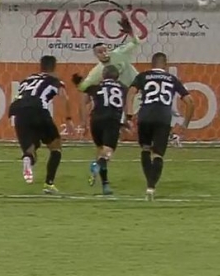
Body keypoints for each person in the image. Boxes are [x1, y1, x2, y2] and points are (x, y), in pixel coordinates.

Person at [126, 52, 194, 201]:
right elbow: (190, 101)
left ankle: (149, 183)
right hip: (163, 118)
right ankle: (151, 188)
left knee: (145, 149)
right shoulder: (172, 79)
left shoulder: (143, 76)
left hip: (145, 116)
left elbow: (130, 93)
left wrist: (129, 114)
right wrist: (185, 124)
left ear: (152, 64)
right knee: (158, 154)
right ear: (165, 64)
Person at [9, 55, 73, 194]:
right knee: (56, 147)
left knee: (30, 149)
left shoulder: (28, 79)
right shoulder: (55, 80)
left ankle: (28, 159)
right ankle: (49, 184)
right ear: (54, 67)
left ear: (41, 66)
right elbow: (65, 98)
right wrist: (68, 119)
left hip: (18, 111)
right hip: (38, 110)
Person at [72, 17, 142, 122]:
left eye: (105, 50)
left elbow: (136, 42)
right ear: (96, 55)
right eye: (100, 52)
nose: (104, 53)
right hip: (125, 100)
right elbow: (84, 87)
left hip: (139, 92)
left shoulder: (119, 53)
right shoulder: (97, 71)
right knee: (124, 123)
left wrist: (131, 32)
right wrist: (78, 83)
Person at [81, 65, 126, 195]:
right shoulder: (123, 87)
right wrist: (125, 122)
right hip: (111, 119)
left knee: (101, 150)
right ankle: (97, 165)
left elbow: (83, 102)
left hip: (96, 120)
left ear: (103, 75)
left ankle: (105, 184)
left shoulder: (95, 86)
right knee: (108, 152)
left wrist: (84, 123)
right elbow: (125, 105)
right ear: (117, 76)